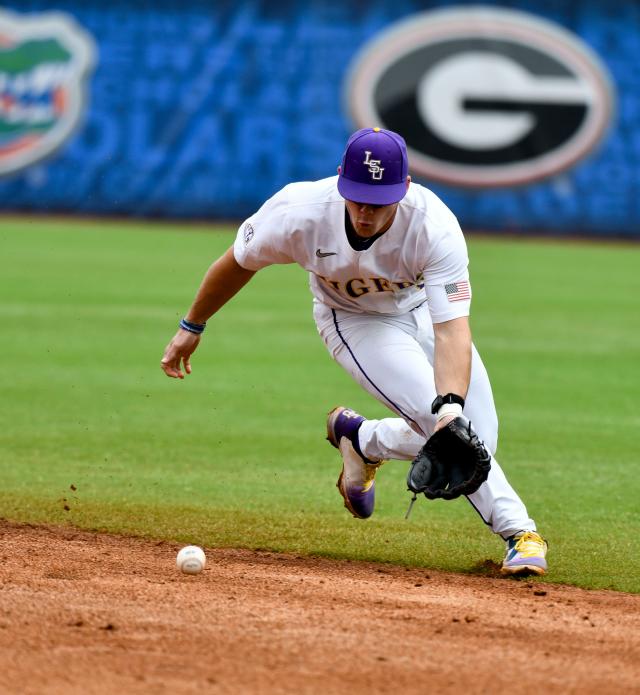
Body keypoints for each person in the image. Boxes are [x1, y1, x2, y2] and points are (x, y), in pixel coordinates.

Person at [160, 127, 548, 576]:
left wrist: (451, 408)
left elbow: (451, 331)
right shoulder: (298, 212)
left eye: (378, 201)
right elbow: (237, 262)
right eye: (357, 196)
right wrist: (192, 324)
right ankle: (520, 533)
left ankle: (364, 439)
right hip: (354, 320)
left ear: (403, 191)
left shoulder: (434, 227)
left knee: (473, 433)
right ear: (341, 180)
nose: (365, 211)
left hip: (422, 312)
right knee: (438, 422)